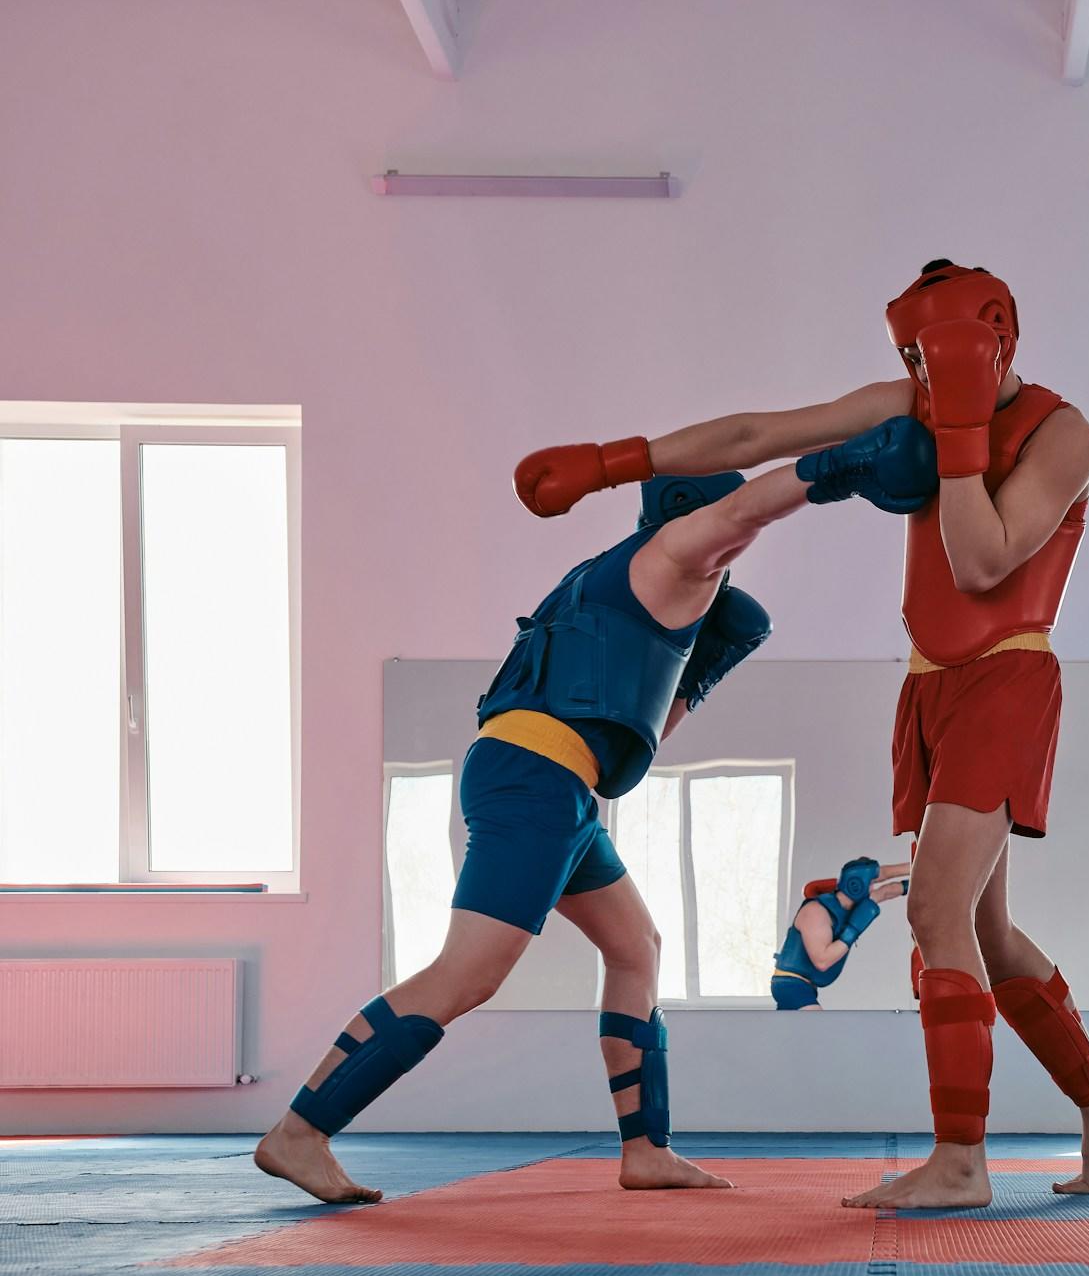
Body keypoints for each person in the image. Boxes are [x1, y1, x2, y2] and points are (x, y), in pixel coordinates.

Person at [576, 261, 1089, 1209]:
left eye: (938, 353)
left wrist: (957, 428)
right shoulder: (910, 400)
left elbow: (981, 564)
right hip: (927, 687)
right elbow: (758, 435)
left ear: (997, 335)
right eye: (913, 357)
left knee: (933, 917)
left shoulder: (1064, 432)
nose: (923, 373)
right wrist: (615, 461)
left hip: (1007, 677)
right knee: (987, 932)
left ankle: (960, 1160)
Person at [253, 419, 935, 1205]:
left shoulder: (626, 584)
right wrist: (841, 466)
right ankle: (300, 1131)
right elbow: (746, 510)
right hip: (535, 778)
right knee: (468, 973)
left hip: (560, 786)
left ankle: (646, 1150)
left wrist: (697, 675)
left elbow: (629, 757)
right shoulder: (674, 553)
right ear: (688, 512)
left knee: (636, 945)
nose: (733, 548)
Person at [771, 856, 911, 1010]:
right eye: (871, 883)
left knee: (802, 1026)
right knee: (816, 1024)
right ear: (855, 885)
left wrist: (921, 873)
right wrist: (853, 929)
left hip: (806, 986)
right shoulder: (817, 912)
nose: (873, 888)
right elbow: (822, 961)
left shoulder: (848, 908)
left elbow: (885, 892)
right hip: (790, 985)